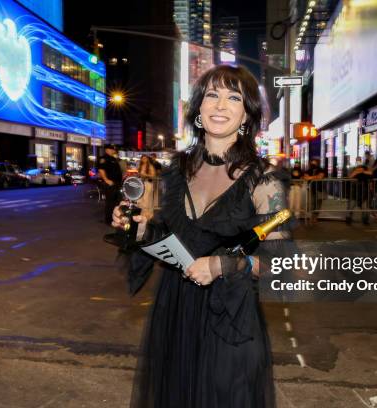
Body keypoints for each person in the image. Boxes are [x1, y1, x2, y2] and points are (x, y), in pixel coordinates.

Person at [113, 65, 293, 407]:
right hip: (176, 311)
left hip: (229, 316)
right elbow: (167, 237)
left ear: (247, 114)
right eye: (212, 94)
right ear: (198, 109)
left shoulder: (264, 180)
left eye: (233, 97)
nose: (220, 105)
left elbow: (281, 264)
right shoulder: (175, 172)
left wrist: (225, 265)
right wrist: (137, 224)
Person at [98, 144, 123, 225]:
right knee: (110, 202)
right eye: (112, 149)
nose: (113, 150)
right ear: (107, 150)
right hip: (110, 184)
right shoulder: (104, 159)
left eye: (114, 149)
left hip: (117, 183)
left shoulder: (113, 158)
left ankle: (116, 218)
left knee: (117, 201)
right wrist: (106, 180)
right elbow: (101, 170)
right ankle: (109, 220)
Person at [346, 161, 373, 225]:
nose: (360, 169)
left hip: (364, 192)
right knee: (351, 206)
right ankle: (348, 218)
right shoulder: (355, 172)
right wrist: (357, 171)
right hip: (355, 191)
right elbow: (350, 177)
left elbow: (371, 173)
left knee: (364, 207)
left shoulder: (366, 173)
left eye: (361, 168)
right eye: (359, 168)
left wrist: (362, 171)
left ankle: (365, 219)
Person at [303, 158, 325, 224]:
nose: (313, 163)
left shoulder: (321, 169)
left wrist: (311, 177)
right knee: (312, 204)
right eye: (312, 162)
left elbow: (320, 177)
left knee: (318, 204)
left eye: (315, 162)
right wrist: (315, 177)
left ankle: (315, 218)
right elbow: (306, 177)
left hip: (320, 189)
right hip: (311, 189)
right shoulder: (308, 170)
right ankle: (311, 217)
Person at [137, 155, 157, 219]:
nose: (144, 159)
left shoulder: (150, 166)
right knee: (141, 199)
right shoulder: (140, 166)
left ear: (147, 159)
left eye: (145, 158)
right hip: (141, 184)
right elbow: (139, 174)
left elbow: (153, 176)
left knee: (147, 199)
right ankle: (143, 214)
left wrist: (146, 175)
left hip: (148, 184)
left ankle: (148, 215)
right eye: (143, 158)